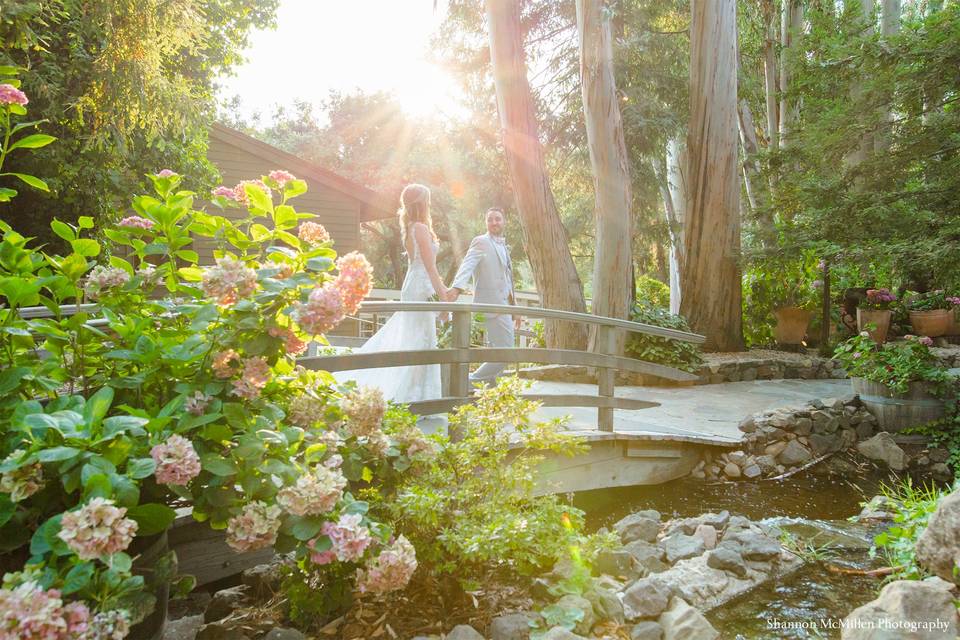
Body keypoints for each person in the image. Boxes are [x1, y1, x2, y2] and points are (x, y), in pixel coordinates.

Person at [337, 184, 450, 402]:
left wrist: (442, 290)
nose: (429, 204)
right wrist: (444, 299)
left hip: (415, 285)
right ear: (422, 203)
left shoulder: (411, 226)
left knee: (418, 338)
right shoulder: (420, 228)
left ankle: (418, 395)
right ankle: (412, 397)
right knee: (420, 340)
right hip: (419, 287)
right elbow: (430, 267)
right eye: (428, 200)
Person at [449, 207, 519, 385]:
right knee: (506, 352)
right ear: (486, 223)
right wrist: (457, 288)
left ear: (504, 222)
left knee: (499, 351)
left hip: (505, 305)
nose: (494, 222)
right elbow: (467, 265)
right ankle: (470, 381)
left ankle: (489, 388)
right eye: (490, 219)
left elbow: (508, 280)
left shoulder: (503, 245)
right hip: (491, 305)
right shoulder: (481, 242)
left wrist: (515, 309)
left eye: (497, 219)